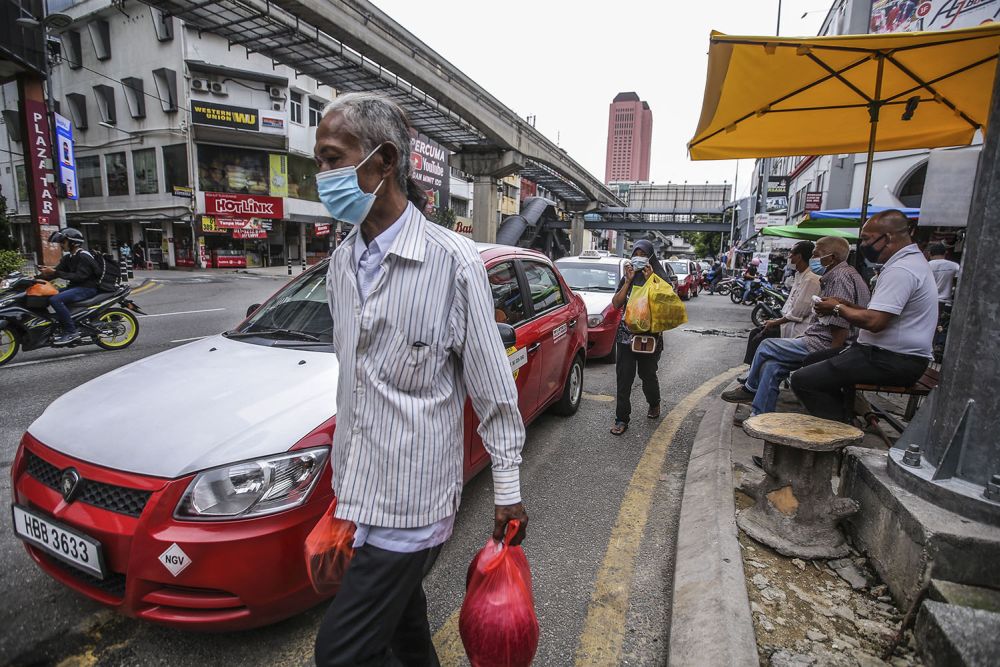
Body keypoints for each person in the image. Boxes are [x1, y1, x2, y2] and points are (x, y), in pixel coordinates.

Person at [313, 93, 527, 667]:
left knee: (340, 654)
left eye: (333, 159)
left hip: (414, 505)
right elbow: (356, 386)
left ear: (383, 163)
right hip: (361, 497)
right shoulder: (340, 263)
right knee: (405, 639)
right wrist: (341, 501)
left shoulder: (452, 263)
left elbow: (492, 388)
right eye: (319, 162)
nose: (322, 177)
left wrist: (507, 491)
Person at [792, 210, 938, 422]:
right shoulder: (907, 264)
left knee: (803, 380)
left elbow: (875, 322)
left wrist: (836, 309)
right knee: (812, 361)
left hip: (892, 360)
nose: (863, 246)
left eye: (867, 239)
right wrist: (846, 304)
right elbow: (881, 312)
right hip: (881, 354)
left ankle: (840, 434)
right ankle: (847, 415)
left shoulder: (902, 270)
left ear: (887, 237)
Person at [722, 236, 870, 416]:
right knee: (771, 366)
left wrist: (830, 360)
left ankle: (750, 388)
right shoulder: (845, 274)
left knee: (766, 345)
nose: (813, 259)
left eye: (817, 255)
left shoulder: (838, 277)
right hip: (820, 339)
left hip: (822, 344)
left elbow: (840, 324)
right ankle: (759, 416)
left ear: (832, 258)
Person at [610, 239, 670, 435]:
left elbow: (665, 305)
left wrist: (652, 280)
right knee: (624, 378)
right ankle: (621, 419)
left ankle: (654, 403)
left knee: (647, 375)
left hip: (650, 338)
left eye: (644, 255)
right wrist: (627, 282)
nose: (639, 258)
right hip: (626, 336)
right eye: (636, 254)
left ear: (651, 257)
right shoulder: (628, 276)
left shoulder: (659, 277)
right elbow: (616, 304)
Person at [742, 241, 821, 365]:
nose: (789, 257)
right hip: (788, 323)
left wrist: (775, 322)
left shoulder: (811, 279)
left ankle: (753, 376)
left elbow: (797, 313)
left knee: (760, 337)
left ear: (799, 257)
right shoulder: (799, 275)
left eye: (791, 254)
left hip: (798, 329)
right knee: (756, 333)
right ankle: (752, 371)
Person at [37, 228, 101, 345]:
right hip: (75, 287)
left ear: (73, 243)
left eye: (63, 242)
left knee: (55, 299)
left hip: (87, 288)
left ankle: (71, 332)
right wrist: (35, 279)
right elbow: (56, 272)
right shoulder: (69, 257)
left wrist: (55, 272)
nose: (61, 245)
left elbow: (79, 277)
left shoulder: (83, 256)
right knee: (45, 295)